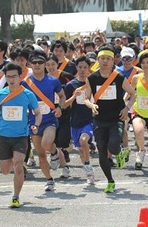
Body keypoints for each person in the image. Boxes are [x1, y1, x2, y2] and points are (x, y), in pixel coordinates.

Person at [0, 62, 42, 208]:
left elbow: (38, 113)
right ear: (5, 77)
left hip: (21, 136)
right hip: (4, 136)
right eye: (8, 76)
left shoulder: (27, 94)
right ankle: (17, 164)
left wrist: (36, 125)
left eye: (14, 76)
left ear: (20, 77)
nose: (11, 79)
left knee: (17, 164)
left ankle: (16, 197)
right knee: (5, 171)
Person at [84, 47, 136, 193]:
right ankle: (110, 181)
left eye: (108, 59)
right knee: (101, 150)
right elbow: (86, 98)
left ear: (113, 61)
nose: (105, 61)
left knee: (113, 146)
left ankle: (119, 153)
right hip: (99, 119)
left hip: (116, 118)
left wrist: (127, 108)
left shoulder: (119, 77)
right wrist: (91, 105)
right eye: (102, 58)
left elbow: (132, 94)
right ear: (98, 60)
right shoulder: (92, 78)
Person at [22, 51, 66, 192]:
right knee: (40, 154)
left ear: (45, 65)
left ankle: (54, 153)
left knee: (46, 143)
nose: (37, 65)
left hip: (49, 119)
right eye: (34, 63)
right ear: (29, 65)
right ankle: (49, 179)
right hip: (34, 121)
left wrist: (59, 107)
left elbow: (62, 96)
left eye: (40, 62)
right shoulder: (25, 82)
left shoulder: (53, 80)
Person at [63, 56, 96, 184]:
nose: (82, 70)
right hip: (75, 121)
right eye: (80, 67)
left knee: (84, 141)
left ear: (89, 68)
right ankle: (89, 172)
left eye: (85, 67)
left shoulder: (93, 83)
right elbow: (64, 104)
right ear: (76, 68)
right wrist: (73, 97)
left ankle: (87, 165)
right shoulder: (71, 85)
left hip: (90, 120)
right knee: (82, 150)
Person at [131, 51, 148, 169]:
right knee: (138, 130)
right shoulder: (136, 78)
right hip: (139, 111)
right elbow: (130, 92)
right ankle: (141, 151)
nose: (146, 65)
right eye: (143, 63)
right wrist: (124, 104)